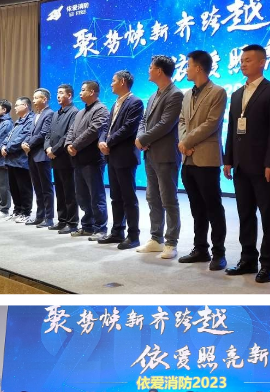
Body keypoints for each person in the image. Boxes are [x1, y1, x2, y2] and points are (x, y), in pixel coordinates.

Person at [224, 44, 270, 283]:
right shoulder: (236, 94)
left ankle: (268, 263)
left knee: (268, 214)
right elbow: (232, 129)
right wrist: (228, 160)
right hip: (240, 165)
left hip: (263, 167)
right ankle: (247, 259)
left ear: (262, 63)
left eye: (248, 60)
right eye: (242, 60)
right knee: (245, 214)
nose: (243, 64)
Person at [177, 50, 228, 270]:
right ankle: (200, 249)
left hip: (207, 159)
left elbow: (212, 123)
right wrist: (183, 142)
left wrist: (187, 141)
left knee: (213, 207)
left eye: (188, 65)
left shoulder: (218, 92)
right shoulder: (187, 94)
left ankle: (219, 253)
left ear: (198, 68)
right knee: (196, 208)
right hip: (187, 159)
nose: (186, 69)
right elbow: (181, 120)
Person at [135, 55, 184, 259]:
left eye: (150, 67)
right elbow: (144, 121)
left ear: (159, 71)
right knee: (152, 197)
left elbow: (166, 124)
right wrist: (141, 138)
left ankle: (171, 242)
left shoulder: (176, 94)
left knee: (168, 199)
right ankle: (156, 238)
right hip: (150, 153)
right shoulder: (153, 95)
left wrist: (143, 139)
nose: (148, 70)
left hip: (166, 155)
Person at [98, 70, 143, 248]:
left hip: (125, 156)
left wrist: (108, 142)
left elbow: (128, 128)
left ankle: (133, 236)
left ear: (122, 82)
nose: (111, 84)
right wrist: (102, 140)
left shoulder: (135, 102)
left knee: (128, 197)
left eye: (113, 80)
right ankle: (117, 232)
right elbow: (107, 126)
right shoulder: (116, 103)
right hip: (112, 155)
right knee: (115, 197)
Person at [65, 80, 109, 237]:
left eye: (83, 90)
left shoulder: (101, 109)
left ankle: (100, 228)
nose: (80, 92)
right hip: (78, 160)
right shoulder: (80, 112)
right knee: (82, 196)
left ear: (92, 92)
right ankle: (87, 226)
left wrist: (75, 146)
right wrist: (68, 144)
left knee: (96, 195)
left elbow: (93, 130)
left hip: (92, 159)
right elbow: (71, 130)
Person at [44, 85, 78, 231]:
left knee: (69, 191)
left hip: (65, 158)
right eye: (57, 93)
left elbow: (68, 135)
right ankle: (62, 219)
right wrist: (47, 148)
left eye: (61, 93)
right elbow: (48, 134)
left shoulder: (74, 112)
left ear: (69, 95)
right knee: (59, 191)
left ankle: (72, 222)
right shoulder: (55, 113)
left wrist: (55, 150)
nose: (58, 95)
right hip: (54, 158)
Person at [24, 88, 56, 227]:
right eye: (33, 97)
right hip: (32, 155)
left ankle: (49, 218)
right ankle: (39, 215)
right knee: (37, 187)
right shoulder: (36, 114)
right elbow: (30, 133)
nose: (34, 100)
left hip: (42, 156)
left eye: (36, 98)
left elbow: (43, 133)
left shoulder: (49, 113)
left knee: (46, 188)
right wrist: (25, 143)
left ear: (44, 99)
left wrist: (29, 144)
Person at [2, 97, 34, 223]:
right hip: (11, 160)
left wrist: (7, 148)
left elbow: (22, 138)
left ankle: (26, 212)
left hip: (21, 160)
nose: (14, 107)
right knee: (14, 187)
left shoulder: (30, 120)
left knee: (24, 188)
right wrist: (4, 145)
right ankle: (17, 210)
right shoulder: (18, 121)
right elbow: (9, 136)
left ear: (25, 106)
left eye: (17, 105)